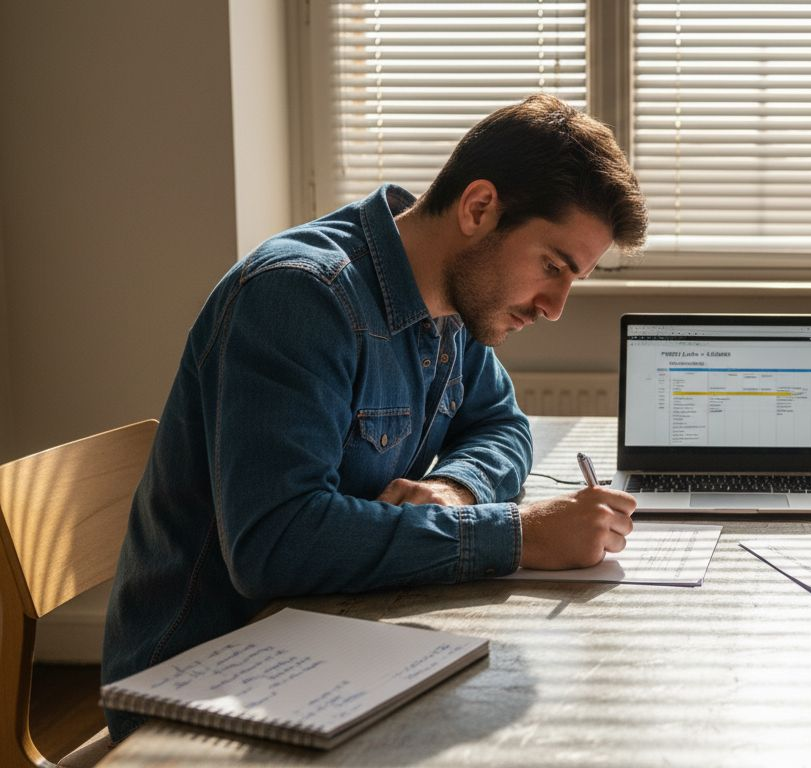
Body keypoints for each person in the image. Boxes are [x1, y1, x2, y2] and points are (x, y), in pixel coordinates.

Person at [102, 94, 647, 741]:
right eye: (552, 266)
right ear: (478, 209)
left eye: (573, 279)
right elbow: (275, 545)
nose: (555, 305)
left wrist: (456, 489)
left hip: (337, 644)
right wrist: (516, 534)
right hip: (204, 689)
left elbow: (502, 424)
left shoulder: (452, 302)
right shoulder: (299, 295)